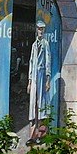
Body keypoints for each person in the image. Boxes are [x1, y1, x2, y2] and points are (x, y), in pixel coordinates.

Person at [27, 16, 51, 144]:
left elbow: (48, 62)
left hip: (42, 75)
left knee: (41, 104)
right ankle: (32, 135)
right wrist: (30, 81)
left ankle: (41, 135)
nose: (40, 31)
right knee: (33, 105)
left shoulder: (45, 44)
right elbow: (31, 62)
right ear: (36, 30)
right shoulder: (34, 45)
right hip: (35, 77)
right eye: (38, 29)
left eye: (42, 29)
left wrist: (48, 79)